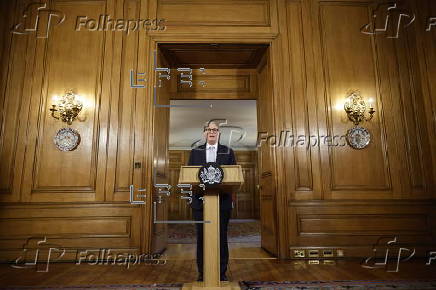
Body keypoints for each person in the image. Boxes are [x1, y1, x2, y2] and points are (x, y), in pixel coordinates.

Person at [187, 120, 236, 282]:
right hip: (200, 203)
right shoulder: (195, 152)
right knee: (202, 238)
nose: (212, 132)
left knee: (221, 237)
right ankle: (203, 273)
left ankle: (221, 274)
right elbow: (189, 175)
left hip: (222, 203)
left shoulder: (228, 152)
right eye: (209, 129)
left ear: (219, 133)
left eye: (215, 129)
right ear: (204, 133)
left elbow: (234, 176)